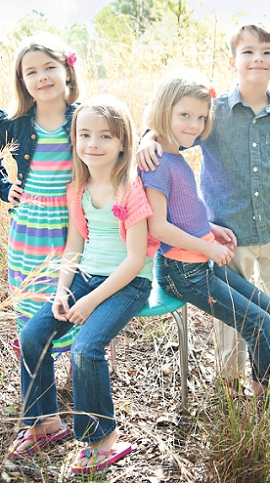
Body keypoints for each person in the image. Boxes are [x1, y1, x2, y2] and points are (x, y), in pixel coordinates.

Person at [140, 68, 270, 428]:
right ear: (163, 111)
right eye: (184, 115)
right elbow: (159, 226)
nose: (194, 125)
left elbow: (184, 213)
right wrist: (211, 251)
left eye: (201, 118)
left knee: (263, 306)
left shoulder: (176, 156)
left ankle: (266, 387)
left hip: (198, 261)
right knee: (258, 321)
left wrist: (211, 230)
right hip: (181, 272)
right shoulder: (156, 163)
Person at [138, 23, 270, 395]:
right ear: (233, 61)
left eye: (267, 52)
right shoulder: (210, 113)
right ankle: (229, 379)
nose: (257, 59)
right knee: (234, 315)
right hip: (228, 232)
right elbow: (171, 135)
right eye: (248, 51)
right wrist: (146, 138)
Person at [11, 95, 159, 475]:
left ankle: (102, 439)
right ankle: (45, 422)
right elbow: (73, 247)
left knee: (85, 349)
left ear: (123, 142)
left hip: (127, 284)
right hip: (84, 278)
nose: (93, 144)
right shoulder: (77, 189)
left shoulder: (130, 189)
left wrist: (90, 300)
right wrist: (62, 290)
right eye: (85, 135)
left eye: (105, 137)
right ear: (75, 139)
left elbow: (136, 259)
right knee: (32, 335)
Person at [0, 34, 81, 359]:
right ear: (22, 81)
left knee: (72, 295)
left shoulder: (83, 117)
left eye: (50, 67)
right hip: (29, 227)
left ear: (67, 70)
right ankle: (37, 366)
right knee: (32, 296)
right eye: (31, 72)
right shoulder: (15, 122)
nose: (42, 77)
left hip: (71, 225)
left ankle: (79, 364)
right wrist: (6, 188)